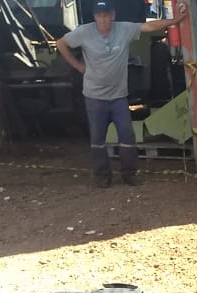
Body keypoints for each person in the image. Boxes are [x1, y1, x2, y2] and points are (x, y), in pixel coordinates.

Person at [57, 0, 185, 186]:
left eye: (106, 15)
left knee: (127, 135)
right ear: (95, 17)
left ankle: (129, 173)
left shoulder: (124, 29)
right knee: (97, 138)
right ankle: (102, 176)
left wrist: (173, 21)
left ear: (113, 16)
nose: (103, 19)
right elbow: (61, 43)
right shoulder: (84, 32)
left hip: (118, 96)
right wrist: (77, 66)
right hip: (94, 96)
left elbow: (149, 26)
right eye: (99, 16)